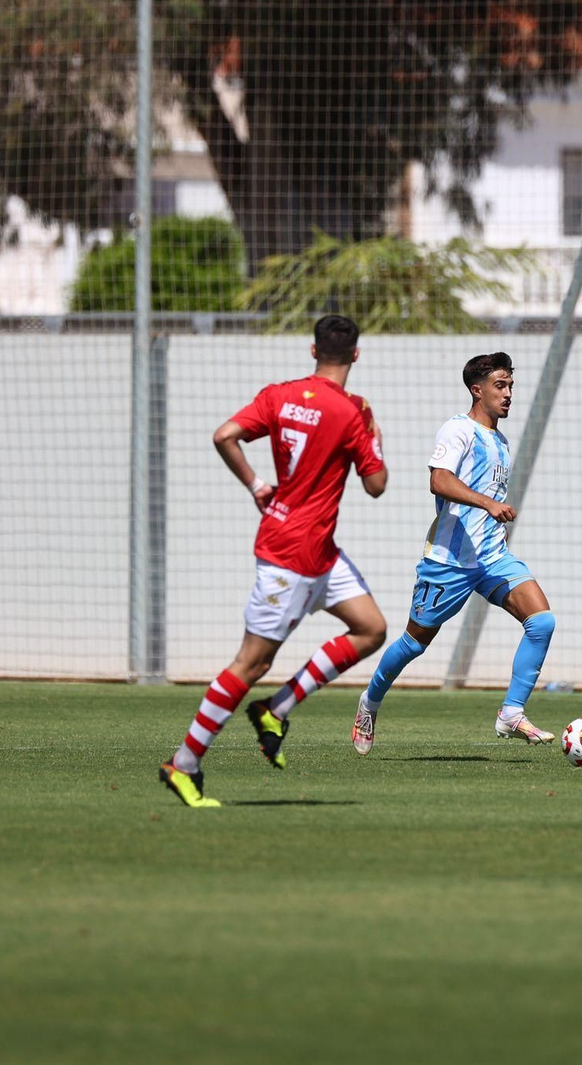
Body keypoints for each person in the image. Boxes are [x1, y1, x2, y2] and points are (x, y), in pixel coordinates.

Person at [159, 314, 389, 808]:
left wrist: (256, 485)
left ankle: (276, 709)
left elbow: (224, 435)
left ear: (313, 351)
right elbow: (376, 485)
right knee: (252, 662)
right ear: (355, 355)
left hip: (317, 551)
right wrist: (374, 435)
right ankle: (183, 764)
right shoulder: (352, 412)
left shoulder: (279, 396)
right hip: (292, 558)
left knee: (370, 628)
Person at [352, 351, 556, 755]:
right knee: (414, 643)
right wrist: (488, 504)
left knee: (542, 622)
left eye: (511, 386)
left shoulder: (500, 441)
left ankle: (511, 712)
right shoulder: (457, 430)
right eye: (500, 385)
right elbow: (439, 481)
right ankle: (369, 702)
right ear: (477, 390)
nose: (508, 393)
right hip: (449, 561)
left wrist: (491, 518)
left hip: (492, 558)